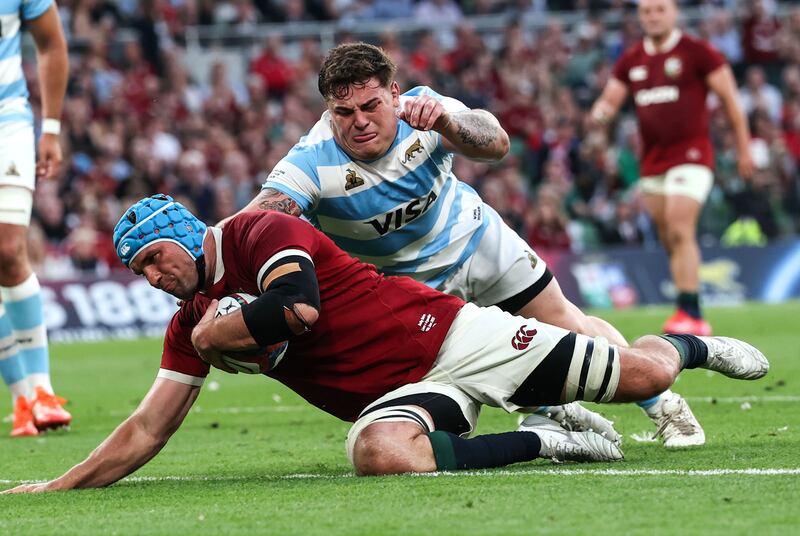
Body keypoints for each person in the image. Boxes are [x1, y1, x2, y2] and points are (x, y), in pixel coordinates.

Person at [3, 195, 769, 492]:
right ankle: (547, 444)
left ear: (175, 238)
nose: (148, 280)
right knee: (379, 455)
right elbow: (147, 427)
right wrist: (63, 486)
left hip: (454, 337)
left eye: (149, 263)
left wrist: (221, 329)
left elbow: (296, 310)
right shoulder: (188, 322)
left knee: (637, 378)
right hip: (400, 393)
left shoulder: (259, 232)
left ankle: (688, 348)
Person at [235, 42, 701, 447]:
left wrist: (448, 123)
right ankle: (553, 410)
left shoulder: (425, 109)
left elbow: (496, 144)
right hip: (414, 290)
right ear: (327, 112)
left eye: (371, 105)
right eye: (344, 113)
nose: (359, 122)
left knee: (570, 327)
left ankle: (662, 402)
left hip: (479, 241)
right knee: (467, 378)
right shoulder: (311, 161)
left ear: (394, 94)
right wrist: (205, 250)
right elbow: (256, 221)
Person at [590, 0, 754, 446]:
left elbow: (731, 101)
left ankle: (692, 315)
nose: (652, 17)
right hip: (654, 163)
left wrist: (742, 149)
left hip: (693, 155)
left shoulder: (699, 53)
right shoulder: (633, 60)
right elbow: (610, 101)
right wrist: (599, 118)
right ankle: (688, 303)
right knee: (667, 233)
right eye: (646, 11)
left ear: (674, 13)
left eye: (659, 10)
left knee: (681, 226)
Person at [0, 0, 71, 436]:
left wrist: (51, 128)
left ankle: (42, 391)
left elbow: (51, 44)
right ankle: (22, 396)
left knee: (8, 251)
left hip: (7, 124)